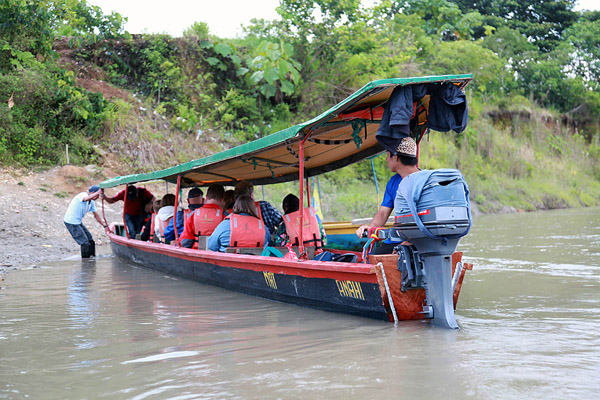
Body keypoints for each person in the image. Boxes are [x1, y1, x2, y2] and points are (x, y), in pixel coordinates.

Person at [355, 136, 420, 254]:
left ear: (396, 157)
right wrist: (371, 229)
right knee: (374, 257)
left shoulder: (424, 182)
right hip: (399, 237)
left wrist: (411, 242)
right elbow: (383, 212)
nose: (386, 159)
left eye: (387, 154)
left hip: (421, 239)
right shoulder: (393, 182)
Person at [63, 185, 109, 258]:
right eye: (97, 195)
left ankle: (92, 259)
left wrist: (104, 226)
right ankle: (85, 262)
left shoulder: (92, 202)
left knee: (90, 240)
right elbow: (85, 199)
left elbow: (96, 215)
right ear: (93, 193)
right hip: (71, 222)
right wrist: (98, 192)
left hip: (78, 222)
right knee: (84, 243)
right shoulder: (82, 195)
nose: (98, 198)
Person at [180, 184, 225, 248]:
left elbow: (185, 241)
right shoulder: (225, 216)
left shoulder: (194, 215)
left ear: (206, 197)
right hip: (217, 254)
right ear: (222, 199)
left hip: (196, 253)